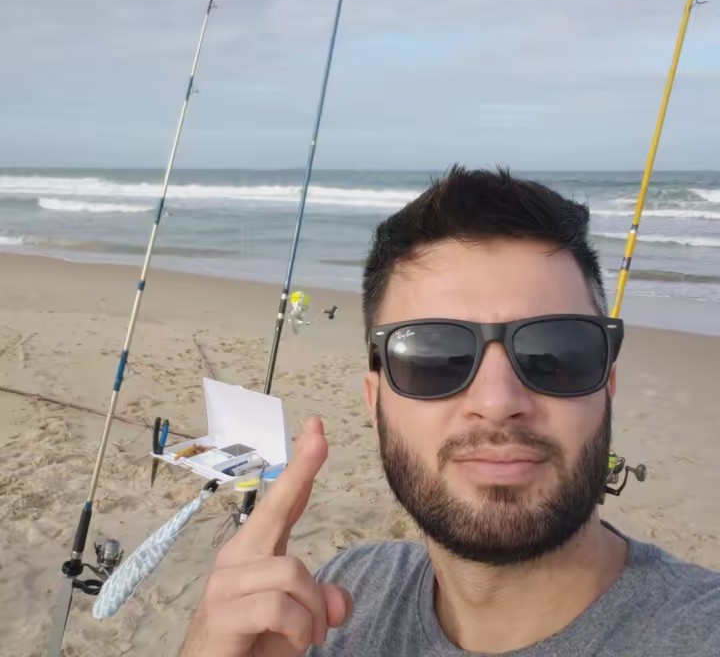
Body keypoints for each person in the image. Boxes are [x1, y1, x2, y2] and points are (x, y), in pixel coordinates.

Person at [179, 166, 720, 657]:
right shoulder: (342, 598)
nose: (497, 402)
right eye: (435, 359)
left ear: (607, 385)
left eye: (556, 355)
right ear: (375, 402)